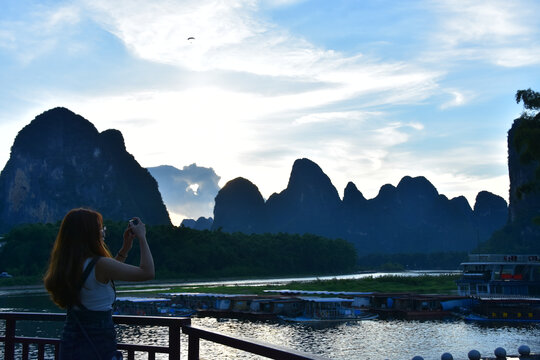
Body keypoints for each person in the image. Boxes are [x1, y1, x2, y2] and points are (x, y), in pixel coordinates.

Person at [44, 208, 155, 360]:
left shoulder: (67, 265)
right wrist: (142, 237)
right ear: (90, 234)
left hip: (70, 344)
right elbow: (147, 272)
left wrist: (125, 249)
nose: (103, 232)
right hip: (97, 345)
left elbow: (101, 278)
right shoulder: (100, 264)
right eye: (100, 228)